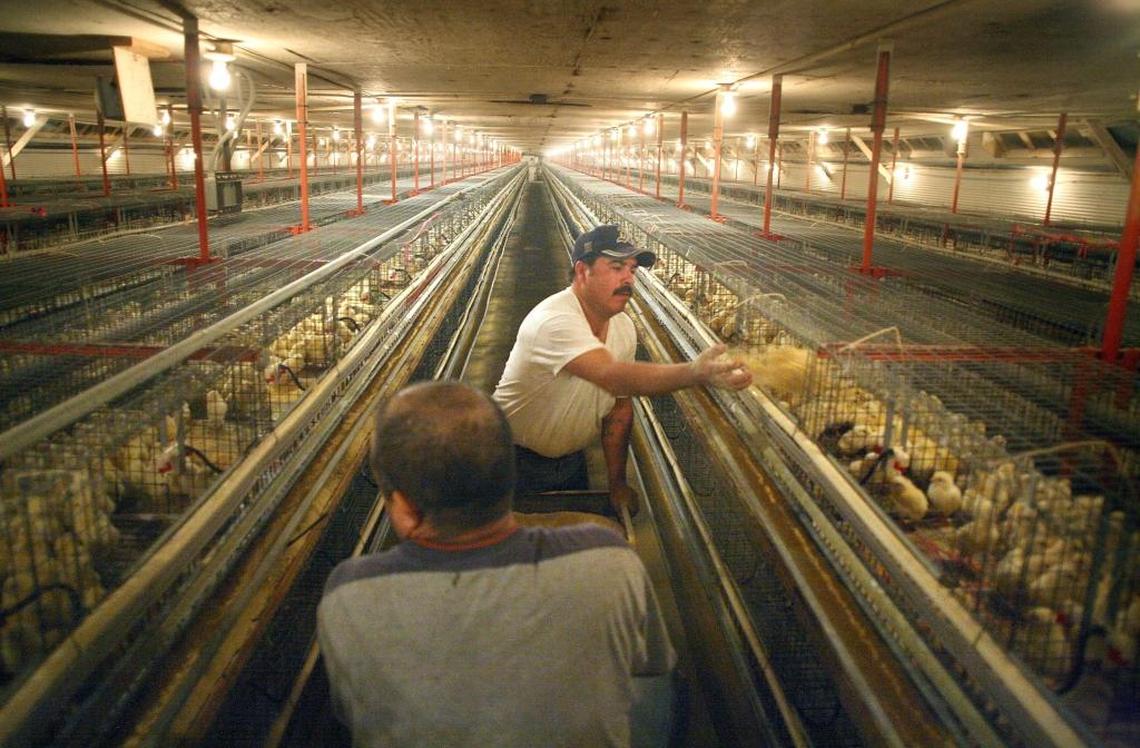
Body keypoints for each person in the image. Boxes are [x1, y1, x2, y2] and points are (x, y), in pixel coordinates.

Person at [317, 381, 677, 747]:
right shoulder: (607, 558)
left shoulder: (349, 593)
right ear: (509, 477)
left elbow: (354, 712)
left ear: (406, 511)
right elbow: (651, 669)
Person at [493, 223, 753, 513]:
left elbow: (618, 409)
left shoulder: (623, 327)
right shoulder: (553, 320)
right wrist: (694, 372)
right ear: (582, 271)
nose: (628, 278)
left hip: (570, 461)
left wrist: (616, 483)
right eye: (616, 267)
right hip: (507, 461)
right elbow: (612, 377)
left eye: (632, 270)